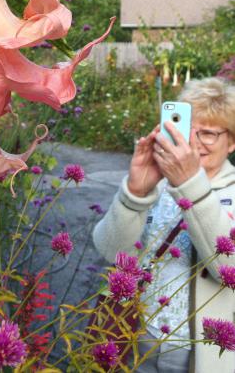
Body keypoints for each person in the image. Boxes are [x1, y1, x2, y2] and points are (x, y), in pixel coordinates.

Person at [93, 77, 235, 373]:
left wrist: (189, 184)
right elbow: (110, 250)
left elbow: (228, 267)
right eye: (188, 131)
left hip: (197, 354)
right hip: (137, 337)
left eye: (208, 133)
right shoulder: (159, 185)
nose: (195, 143)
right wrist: (135, 193)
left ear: (231, 141)